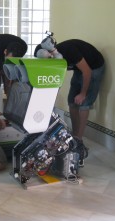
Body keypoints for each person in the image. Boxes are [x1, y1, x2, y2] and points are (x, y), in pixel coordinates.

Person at [35, 38, 105, 166]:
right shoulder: (54, 59)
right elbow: (56, 78)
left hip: (93, 68)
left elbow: (87, 72)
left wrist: (83, 93)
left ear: (50, 53)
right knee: (72, 101)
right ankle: (75, 135)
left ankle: (79, 140)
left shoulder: (69, 51)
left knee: (84, 103)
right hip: (80, 70)